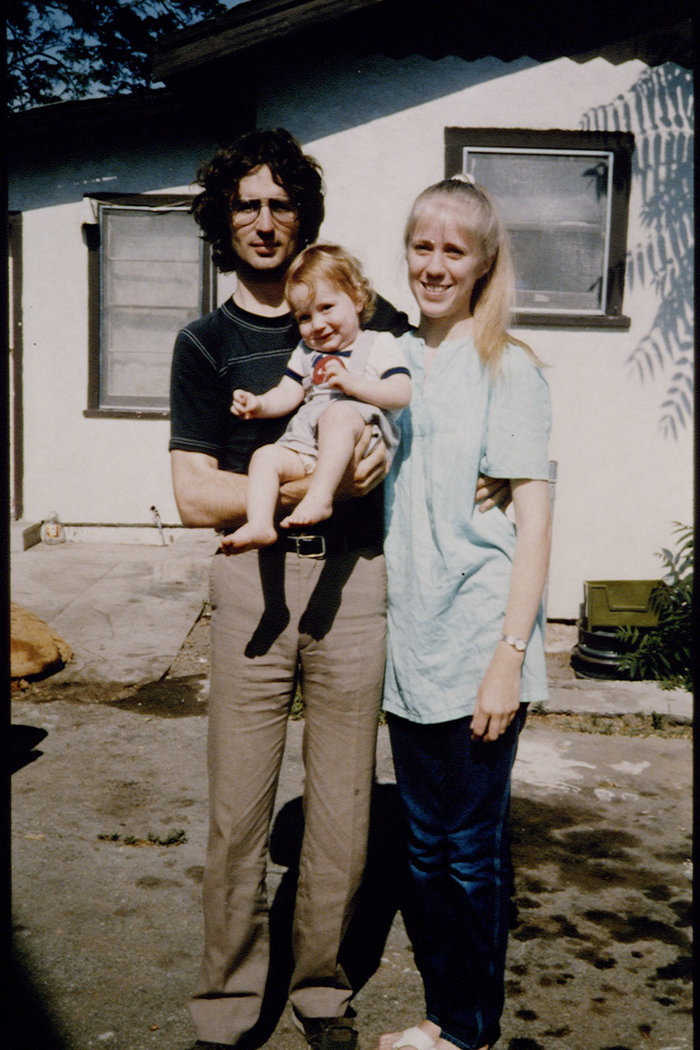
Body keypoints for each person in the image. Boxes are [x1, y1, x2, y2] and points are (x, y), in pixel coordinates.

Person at [169, 128, 508, 1050]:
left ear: (303, 215)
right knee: (239, 811)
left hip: (358, 588)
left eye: (282, 203)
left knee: (344, 809)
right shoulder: (205, 344)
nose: (266, 221)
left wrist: (496, 478)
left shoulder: (365, 315)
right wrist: (309, 481)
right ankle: (229, 1005)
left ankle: (321, 990)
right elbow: (195, 491)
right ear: (223, 219)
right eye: (248, 204)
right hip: (253, 585)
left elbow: (437, 409)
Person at [377, 175, 552, 1050]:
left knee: (467, 853)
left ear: (483, 264)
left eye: (455, 249)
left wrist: (509, 655)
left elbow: (537, 526)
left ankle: (468, 1030)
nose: (435, 264)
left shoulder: (508, 367)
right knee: (421, 851)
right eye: (422, 245)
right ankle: (443, 1017)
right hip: (410, 650)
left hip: (481, 647)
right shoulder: (395, 359)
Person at [222, 244, 411, 552]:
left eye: (326, 308)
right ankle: (259, 524)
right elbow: (288, 392)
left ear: (358, 299)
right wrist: (259, 405)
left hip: (360, 435)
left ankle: (320, 498)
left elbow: (401, 392)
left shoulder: (378, 344)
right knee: (265, 456)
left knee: (337, 415)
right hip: (309, 444)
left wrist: (352, 384)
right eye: (305, 317)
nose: (318, 324)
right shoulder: (307, 353)